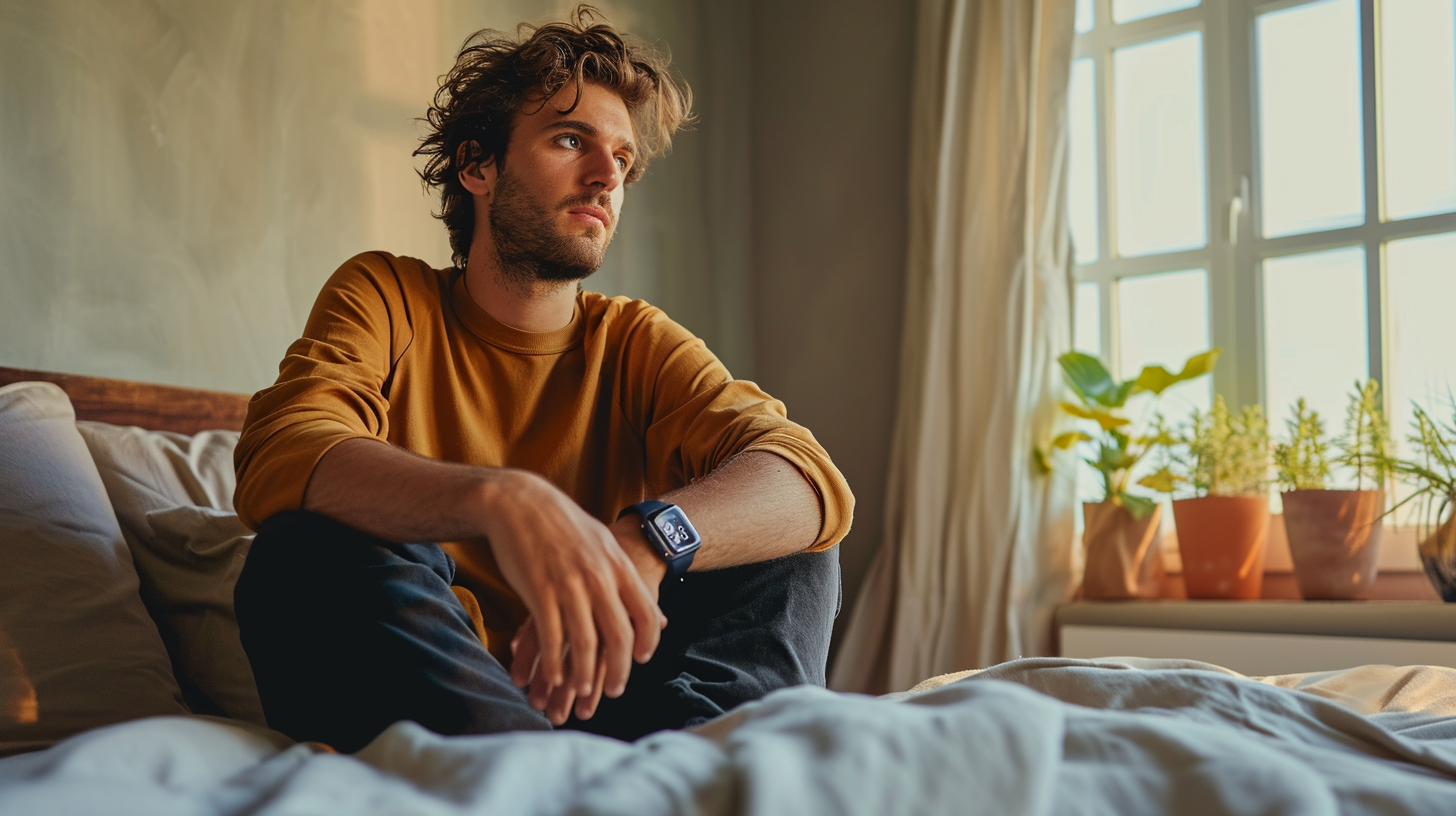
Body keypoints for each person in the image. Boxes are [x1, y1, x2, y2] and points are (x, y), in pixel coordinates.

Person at [230, 5, 854, 752]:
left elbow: (806, 479)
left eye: (622, 159)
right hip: (450, 701)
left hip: (631, 709)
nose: (605, 177)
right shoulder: (388, 298)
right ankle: (556, 778)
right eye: (570, 140)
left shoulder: (635, 341)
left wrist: (650, 539)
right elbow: (282, 452)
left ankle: (674, 779)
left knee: (784, 537)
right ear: (478, 166)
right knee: (301, 551)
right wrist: (499, 500)